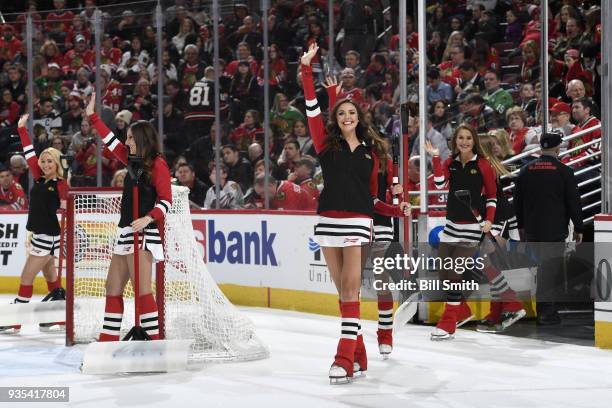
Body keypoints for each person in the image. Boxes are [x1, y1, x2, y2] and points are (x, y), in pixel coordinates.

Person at [301, 43, 408, 383]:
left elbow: (371, 200)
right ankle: (360, 352)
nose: (347, 117)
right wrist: (307, 71)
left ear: (359, 119)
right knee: (342, 295)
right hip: (328, 222)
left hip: (360, 226)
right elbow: (311, 109)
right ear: (337, 119)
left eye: (352, 114)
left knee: (350, 291)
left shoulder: (371, 156)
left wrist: (397, 209)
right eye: (342, 113)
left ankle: (344, 358)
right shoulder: (324, 145)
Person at [86, 93, 172, 342]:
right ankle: (108, 340)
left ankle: (154, 342)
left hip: (143, 233)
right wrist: (92, 115)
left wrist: (148, 218)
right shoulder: (131, 160)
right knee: (112, 288)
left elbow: (167, 201)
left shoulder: (158, 165)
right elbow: (109, 139)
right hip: (125, 231)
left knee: (143, 291)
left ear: (143, 139)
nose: (127, 140)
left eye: (132, 138)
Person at [425, 124, 497, 341]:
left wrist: (489, 221)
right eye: (460, 138)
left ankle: (448, 322)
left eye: (468, 138)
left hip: (472, 228)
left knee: (455, 271)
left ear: (474, 141)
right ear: (454, 141)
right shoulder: (450, 163)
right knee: (443, 272)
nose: (464, 142)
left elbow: (492, 196)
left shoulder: (483, 165)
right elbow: (438, 184)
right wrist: (436, 158)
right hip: (451, 226)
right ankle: (462, 311)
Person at [0, 114, 67, 334]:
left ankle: (16, 319)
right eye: (44, 160)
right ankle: (63, 316)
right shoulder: (38, 177)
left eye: (50, 161)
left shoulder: (60, 184)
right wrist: (21, 128)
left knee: (26, 276)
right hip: (39, 235)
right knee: (51, 277)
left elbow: (67, 210)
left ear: (57, 164)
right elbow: (29, 153)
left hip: (48, 237)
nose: (46, 164)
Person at [513, 132, 583, 325]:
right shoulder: (564, 171)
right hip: (556, 230)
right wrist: (578, 227)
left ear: (542, 148)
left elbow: (518, 202)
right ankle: (546, 312)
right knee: (550, 270)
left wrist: (520, 226)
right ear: (557, 148)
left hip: (533, 230)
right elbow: (573, 202)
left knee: (541, 269)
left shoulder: (526, 170)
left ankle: (544, 309)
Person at [475, 137, 526, 333]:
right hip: (497, 217)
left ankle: (512, 303)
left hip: (497, 218)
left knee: (488, 263)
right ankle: (495, 314)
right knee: (491, 264)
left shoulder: (485, 167)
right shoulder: (485, 165)